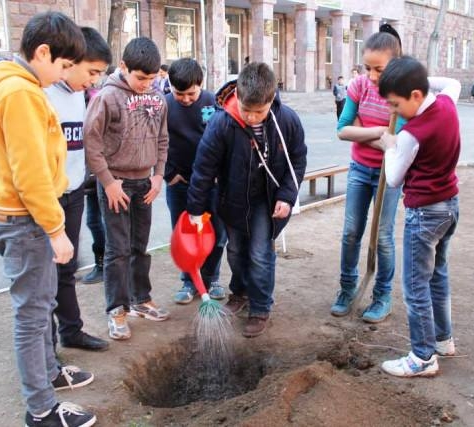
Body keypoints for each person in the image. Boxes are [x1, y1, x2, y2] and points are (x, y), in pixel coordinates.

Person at [0, 11, 96, 427]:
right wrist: (56, 230)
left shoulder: (19, 87)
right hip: (26, 221)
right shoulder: (20, 93)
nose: (64, 75)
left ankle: (50, 374)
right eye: (62, 66)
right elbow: (29, 173)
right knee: (31, 314)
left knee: (41, 306)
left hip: (26, 218)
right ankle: (41, 408)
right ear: (42, 52)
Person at [186, 62, 307, 338]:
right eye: (246, 110)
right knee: (236, 251)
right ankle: (239, 293)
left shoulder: (286, 120)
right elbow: (203, 169)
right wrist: (195, 209)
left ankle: (261, 306)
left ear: (271, 99)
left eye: (259, 112)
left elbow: (296, 161)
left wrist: (287, 196)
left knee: (260, 254)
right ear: (237, 96)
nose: (252, 117)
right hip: (233, 199)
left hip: (268, 199)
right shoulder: (221, 123)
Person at [377, 56, 462, 377]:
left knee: (416, 285)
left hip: (425, 214)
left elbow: (395, 177)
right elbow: (451, 83)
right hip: (449, 206)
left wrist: (388, 145)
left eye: (396, 104)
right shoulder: (447, 103)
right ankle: (443, 340)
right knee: (437, 275)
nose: (394, 112)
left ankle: (423, 357)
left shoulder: (414, 132)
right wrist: (422, 79)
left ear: (415, 95)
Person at [84, 37, 170, 341]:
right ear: (123, 67)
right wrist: (107, 182)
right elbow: (91, 145)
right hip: (116, 185)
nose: (146, 83)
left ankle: (140, 299)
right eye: (141, 77)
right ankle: (116, 309)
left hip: (144, 183)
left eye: (153, 77)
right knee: (117, 249)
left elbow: (162, 139)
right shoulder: (106, 97)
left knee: (139, 246)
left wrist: (158, 175)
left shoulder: (158, 99)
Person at [44, 27, 112, 353]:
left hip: (73, 194)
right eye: (92, 72)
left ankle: (72, 331)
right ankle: (46, 357)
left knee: (67, 269)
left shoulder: (77, 96)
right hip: (46, 198)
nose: (94, 82)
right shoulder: (43, 95)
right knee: (44, 278)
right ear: (70, 61)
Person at [329, 30, 403, 323]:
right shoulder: (359, 86)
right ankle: (347, 289)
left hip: (390, 174)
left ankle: (382, 296)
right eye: (368, 68)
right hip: (360, 170)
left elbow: (400, 141)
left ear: (395, 66)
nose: (371, 75)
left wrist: (363, 132)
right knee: (351, 232)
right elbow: (343, 129)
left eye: (379, 69)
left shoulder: (402, 92)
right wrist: (379, 133)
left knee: (383, 237)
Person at [163, 58, 227, 304]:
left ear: (201, 84)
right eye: (180, 94)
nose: (186, 99)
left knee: (217, 234)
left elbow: (224, 140)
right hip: (180, 183)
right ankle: (189, 282)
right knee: (185, 236)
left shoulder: (214, 103)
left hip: (212, 182)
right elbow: (157, 142)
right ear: (170, 86)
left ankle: (212, 278)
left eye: (191, 93)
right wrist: (169, 173)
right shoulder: (165, 105)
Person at [81, 64, 116, 285]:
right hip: (84, 176)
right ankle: (101, 263)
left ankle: (108, 264)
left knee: (104, 222)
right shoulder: (77, 98)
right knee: (93, 221)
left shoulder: (100, 100)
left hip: (104, 174)